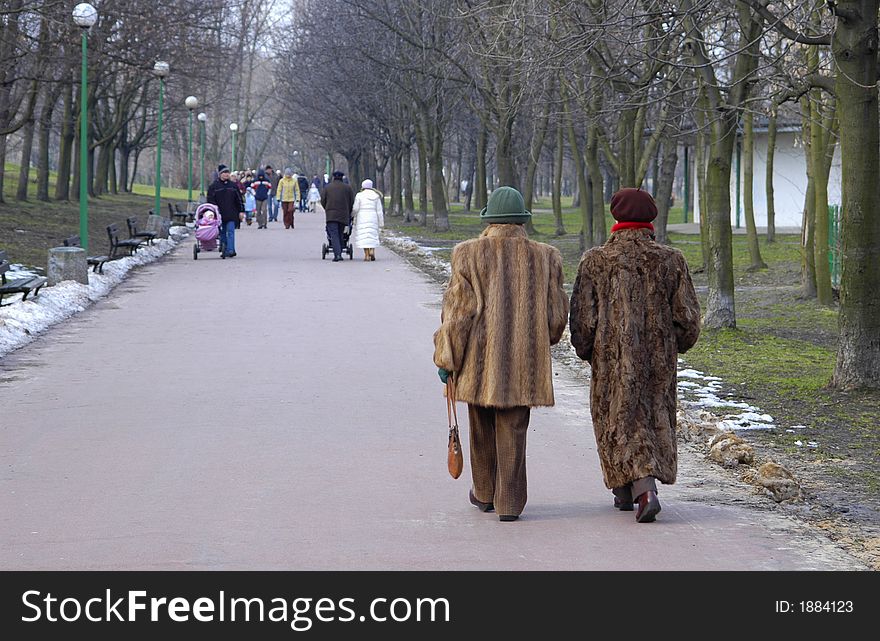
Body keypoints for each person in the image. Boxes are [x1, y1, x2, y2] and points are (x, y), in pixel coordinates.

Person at [432, 186, 569, 522]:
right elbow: (555, 319)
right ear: (522, 220)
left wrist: (446, 359)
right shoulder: (546, 256)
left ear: (488, 219)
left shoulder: (467, 254)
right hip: (524, 363)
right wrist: (539, 339)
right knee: (514, 428)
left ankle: (483, 492)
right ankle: (509, 502)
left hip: (479, 361)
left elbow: (458, 314)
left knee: (480, 426)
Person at [569, 188, 701, 523]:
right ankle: (628, 490)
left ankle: (641, 489)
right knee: (650, 418)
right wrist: (673, 347)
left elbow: (584, 318)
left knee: (617, 420)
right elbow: (687, 319)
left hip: (612, 361)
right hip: (658, 363)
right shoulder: (672, 261)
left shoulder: (596, 260)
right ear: (651, 218)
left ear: (616, 217)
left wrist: (588, 350)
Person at [207, 164, 244, 258]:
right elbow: (210, 201)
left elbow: (239, 199)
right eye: (224, 173)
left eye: (227, 172)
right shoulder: (214, 187)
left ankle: (231, 250)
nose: (226, 175)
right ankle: (224, 248)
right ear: (220, 174)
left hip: (232, 213)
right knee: (222, 232)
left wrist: (241, 211)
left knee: (231, 231)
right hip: (219, 214)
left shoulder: (233, 186)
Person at [321, 170, 355, 262]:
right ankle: (339, 250)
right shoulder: (348, 188)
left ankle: (338, 255)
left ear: (333, 177)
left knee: (334, 234)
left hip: (331, 215)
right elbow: (351, 201)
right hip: (343, 215)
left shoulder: (327, 188)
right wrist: (348, 210)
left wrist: (327, 209)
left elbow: (323, 201)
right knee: (340, 233)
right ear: (342, 177)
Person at [352, 179, 384, 261]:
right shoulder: (376, 196)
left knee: (364, 236)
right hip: (373, 216)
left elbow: (355, 208)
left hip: (362, 216)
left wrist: (352, 215)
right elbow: (379, 211)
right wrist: (381, 223)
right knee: (372, 235)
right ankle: (372, 251)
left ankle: (366, 255)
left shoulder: (359, 195)